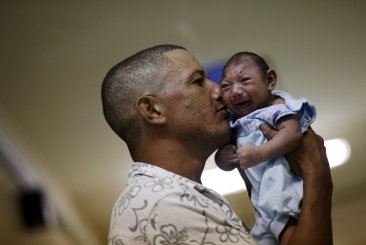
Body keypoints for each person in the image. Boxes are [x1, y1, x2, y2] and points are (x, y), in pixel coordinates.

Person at [101, 44, 333, 245]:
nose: (219, 91)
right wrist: (316, 174)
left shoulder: (169, 198)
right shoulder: (164, 205)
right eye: (198, 81)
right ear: (153, 110)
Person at [215, 52, 317, 244]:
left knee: (288, 232)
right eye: (226, 86)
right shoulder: (234, 123)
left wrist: (260, 153)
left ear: (269, 80)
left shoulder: (275, 107)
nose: (235, 91)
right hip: (262, 204)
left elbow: (292, 134)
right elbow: (226, 164)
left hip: (282, 192)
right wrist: (223, 158)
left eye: (244, 80)